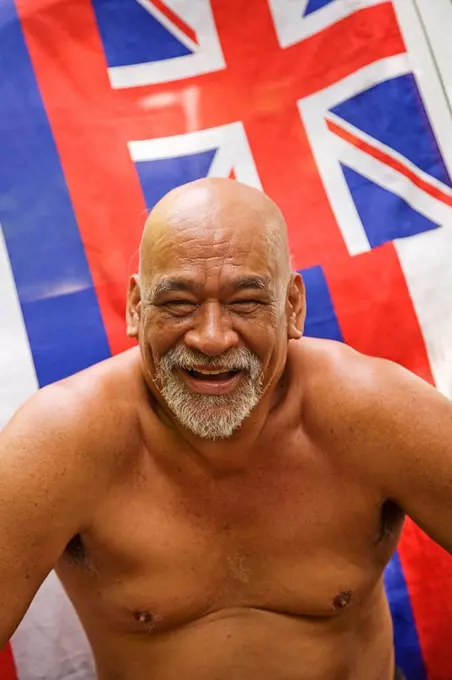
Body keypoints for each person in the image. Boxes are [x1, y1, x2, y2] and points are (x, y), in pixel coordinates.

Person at [3, 177, 451, 680]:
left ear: (293, 307)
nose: (211, 339)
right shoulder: (64, 440)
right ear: (135, 308)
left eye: (245, 302)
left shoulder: (372, 412)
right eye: (178, 304)